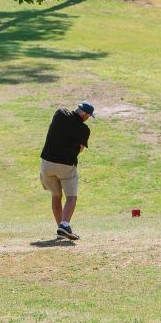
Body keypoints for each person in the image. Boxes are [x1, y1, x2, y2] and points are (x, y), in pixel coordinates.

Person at [40, 100, 94, 241]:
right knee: (71, 197)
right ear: (85, 115)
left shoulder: (60, 113)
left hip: (47, 164)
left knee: (56, 196)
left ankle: (60, 229)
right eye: (88, 116)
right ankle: (64, 224)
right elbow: (80, 149)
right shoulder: (85, 130)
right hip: (66, 165)